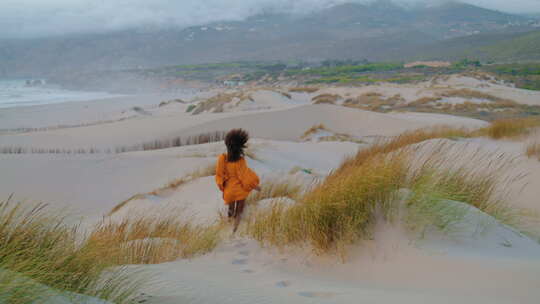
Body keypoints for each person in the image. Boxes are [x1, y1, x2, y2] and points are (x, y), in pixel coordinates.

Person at [215, 129, 260, 233]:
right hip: (240, 190)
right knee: (239, 212)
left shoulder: (223, 158)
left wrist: (223, 186)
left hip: (229, 190)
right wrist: (255, 186)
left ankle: (229, 225)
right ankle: (235, 230)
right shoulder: (240, 161)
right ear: (240, 147)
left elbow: (219, 174)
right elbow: (245, 177)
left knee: (230, 210)